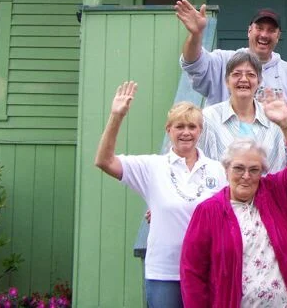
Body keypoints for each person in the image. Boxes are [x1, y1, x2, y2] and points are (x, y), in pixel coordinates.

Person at [179, 91, 287, 308]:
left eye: (254, 170)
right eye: (239, 168)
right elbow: (193, 272)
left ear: (262, 172)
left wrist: (286, 124)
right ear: (226, 169)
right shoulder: (208, 211)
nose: (246, 176)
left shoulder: (276, 194)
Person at [94, 81, 226, 308]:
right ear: (169, 130)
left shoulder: (219, 170)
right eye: (179, 126)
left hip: (207, 271)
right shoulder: (151, 167)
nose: (186, 132)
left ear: (200, 131)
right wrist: (116, 116)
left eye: (192, 127)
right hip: (164, 274)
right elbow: (104, 161)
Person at [176, 0, 287, 106]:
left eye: (271, 30)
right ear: (249, 31)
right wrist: (196, 34)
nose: (264, 35)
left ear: (278, 36)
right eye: (259, 28)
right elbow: (192, 63)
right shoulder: (223, 61)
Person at [200, 51, 287, 173]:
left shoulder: (276, 118)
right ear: (227, 81)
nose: (244, 79)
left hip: (269, 191)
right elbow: (198, 164)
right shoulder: (208, 117)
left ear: (259, 81)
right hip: (223, 191)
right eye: (236, 74)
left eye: (251, 75)